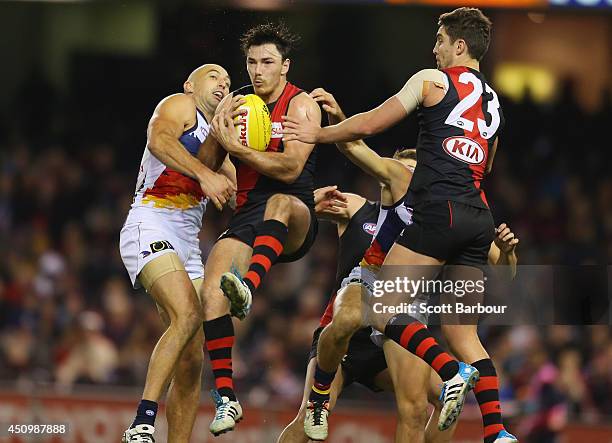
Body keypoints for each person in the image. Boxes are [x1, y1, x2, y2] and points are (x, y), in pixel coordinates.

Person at [283, 8, 518, 443]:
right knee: (465, 336)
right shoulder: (494, 103)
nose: (435, 48)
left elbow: (373, 122)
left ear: (459, 46)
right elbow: (484, 166)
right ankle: (498, 431)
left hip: (439, 212)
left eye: (440, 40)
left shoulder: (431, 80)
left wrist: (315, 136)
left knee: (381, 307)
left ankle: (448, 373)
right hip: (479, 216)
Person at [195, 23, 322, 436]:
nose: (257, 70)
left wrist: (240, 149)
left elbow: (291, 168)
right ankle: (227, 398)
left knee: (280, 202)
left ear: (285, 66)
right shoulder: (236, 105)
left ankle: (248, 283)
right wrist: (219, 129)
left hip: (297, 211)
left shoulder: (301, 105)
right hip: (249, 214)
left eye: (267, 62)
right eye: (251, 62)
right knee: (211, 293)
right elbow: (210, 165)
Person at [119, 64, 237, 443]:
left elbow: (245, 197)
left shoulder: (223, 145)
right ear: (190, 84)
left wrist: (303, 200)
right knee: (187, 314)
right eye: (214, 75)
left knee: (192, 358)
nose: (223, 82)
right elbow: (159, 141)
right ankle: (142, 421)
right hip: (149, 224)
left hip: (187, 245)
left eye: (228, 81)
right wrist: (204, 175)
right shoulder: (180, 105)